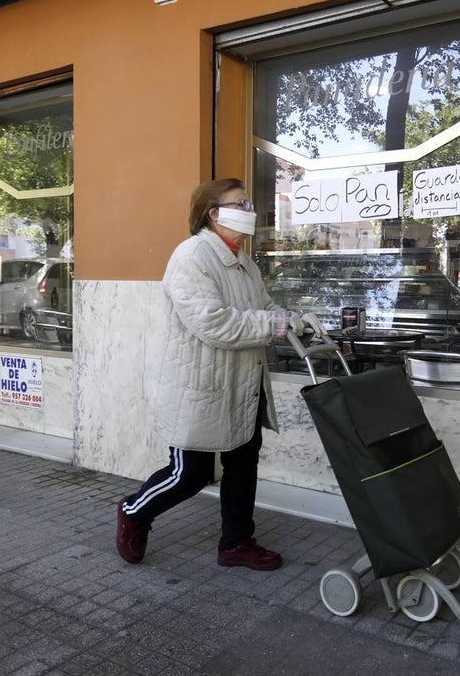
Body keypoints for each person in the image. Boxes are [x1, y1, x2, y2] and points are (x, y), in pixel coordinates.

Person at [115, 178, 324, 571]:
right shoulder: (192, 256)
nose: (250, 210)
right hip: (200, 385)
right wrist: (276, 325)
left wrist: (294, 319)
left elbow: (263, 307)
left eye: (249, 203)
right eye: (241, 204)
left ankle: (236, 543)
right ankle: (134, 511)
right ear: (214, 213)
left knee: (243, 465)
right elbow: (215, 324)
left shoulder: (244, 262)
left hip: (243, 383)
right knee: (189, 475)